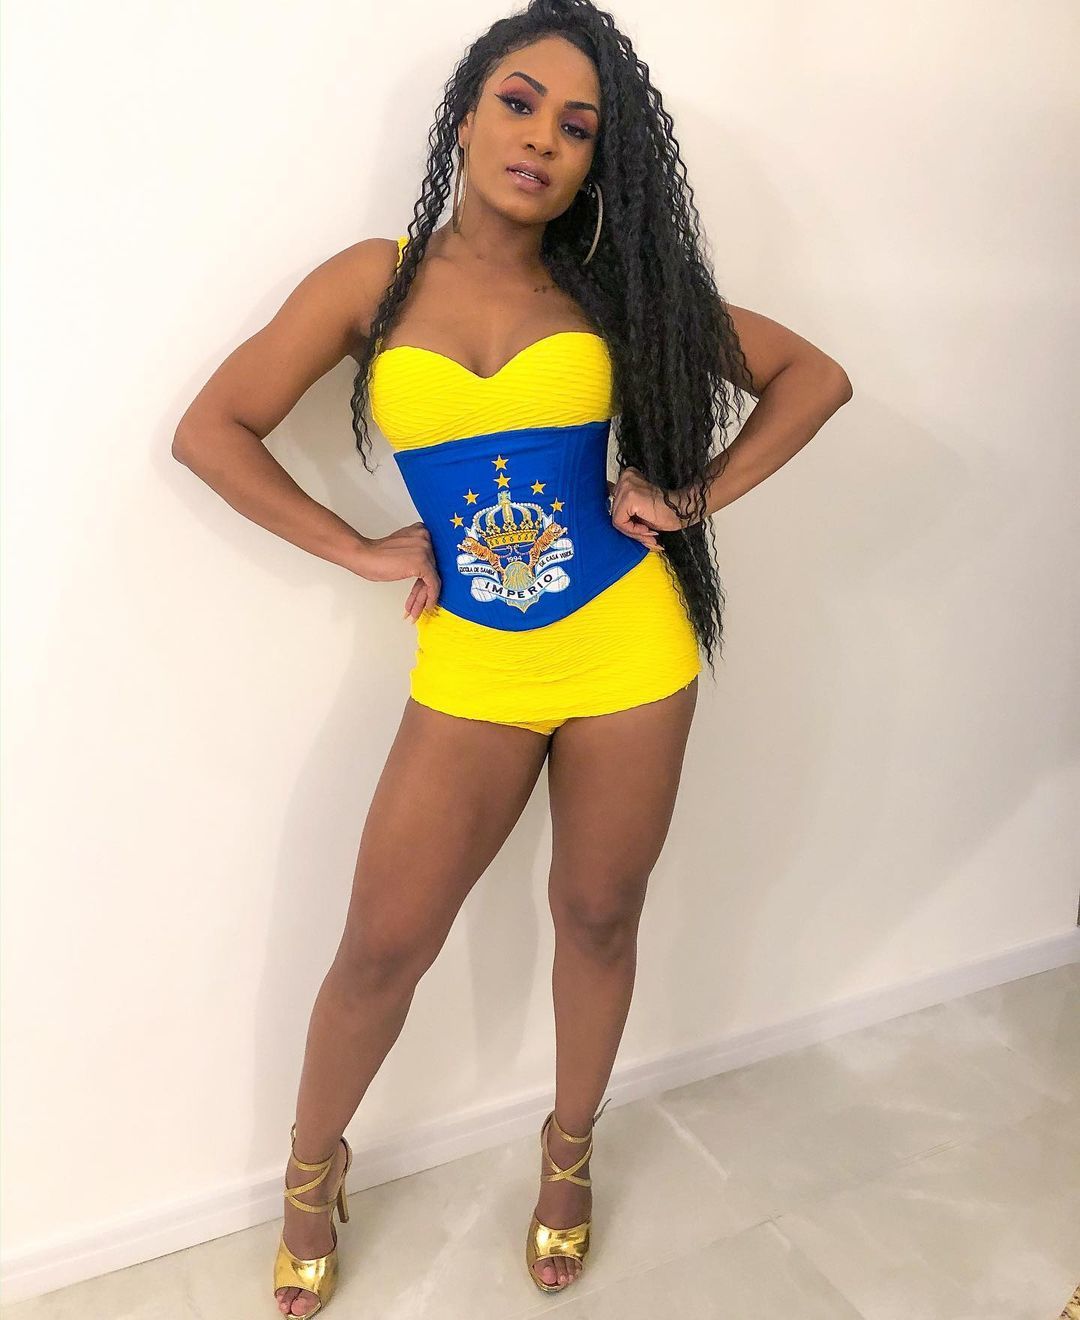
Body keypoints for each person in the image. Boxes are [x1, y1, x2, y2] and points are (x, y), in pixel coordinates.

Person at [172, 1, 852, 1313]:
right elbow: (214, 429)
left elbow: (810, 376)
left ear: (599, 162)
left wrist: (693, 497)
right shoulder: (371, 281)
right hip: (474, 663)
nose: (542, 138)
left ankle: (568, 1152)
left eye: (577, 127)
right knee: (382, 947)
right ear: (468, 115)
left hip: (626, 651)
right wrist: (355, 547)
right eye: (521, 104)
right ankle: (312, 1172)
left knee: (597, 916)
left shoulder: (609, 287)